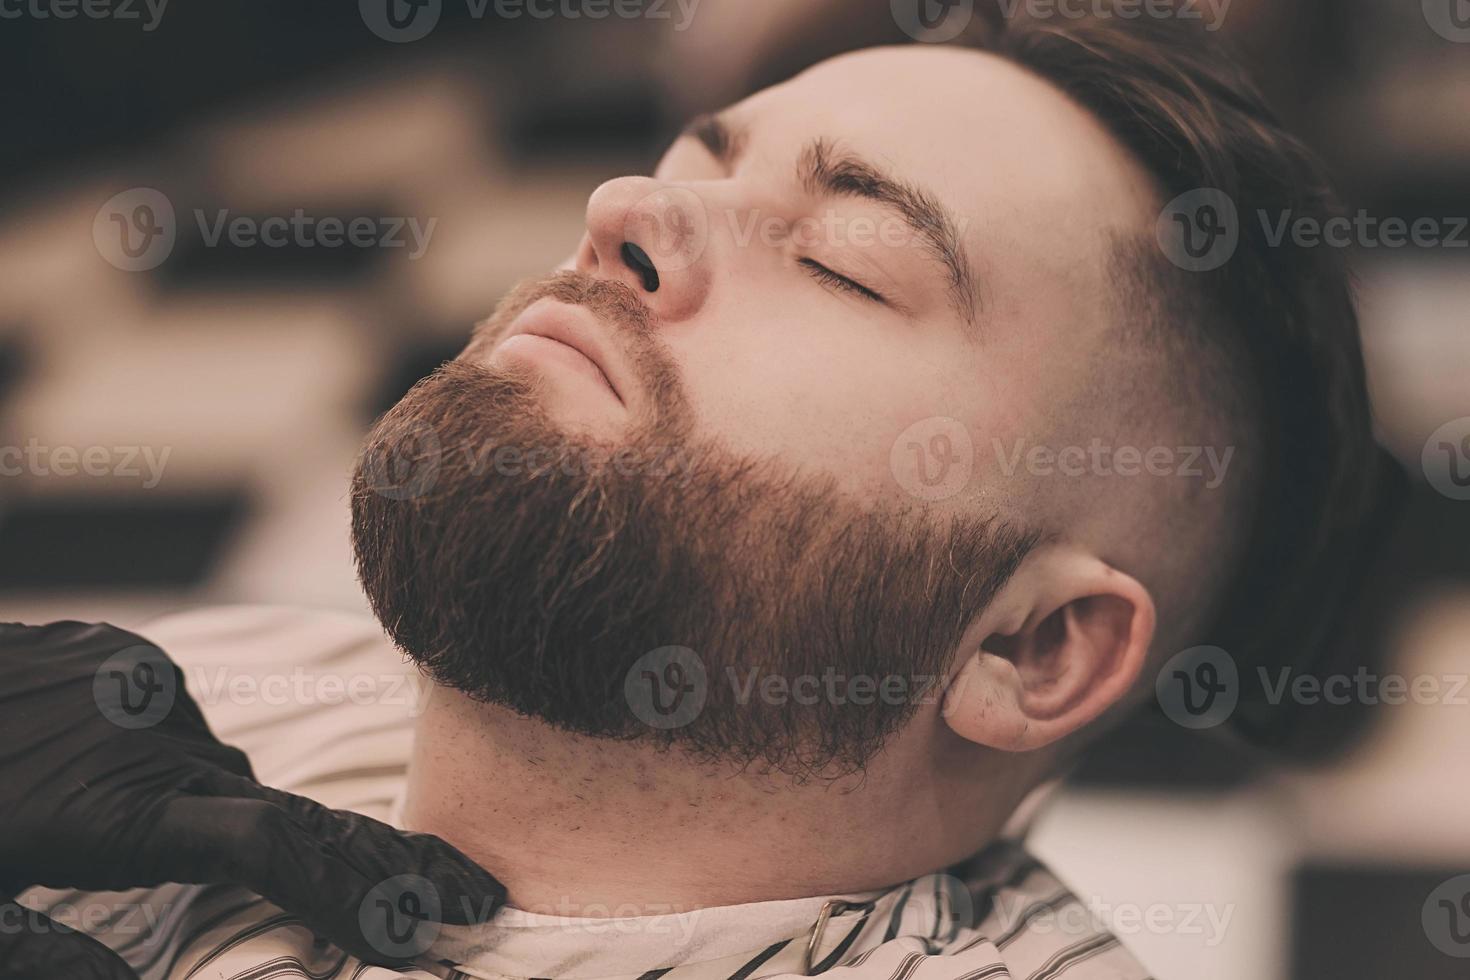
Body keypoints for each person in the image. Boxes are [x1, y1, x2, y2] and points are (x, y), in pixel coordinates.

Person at [9, 5, 1386, 978]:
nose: (622, 207)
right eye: (693, 162)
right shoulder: (168, 702)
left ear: (1029, 647)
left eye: (845, 257)